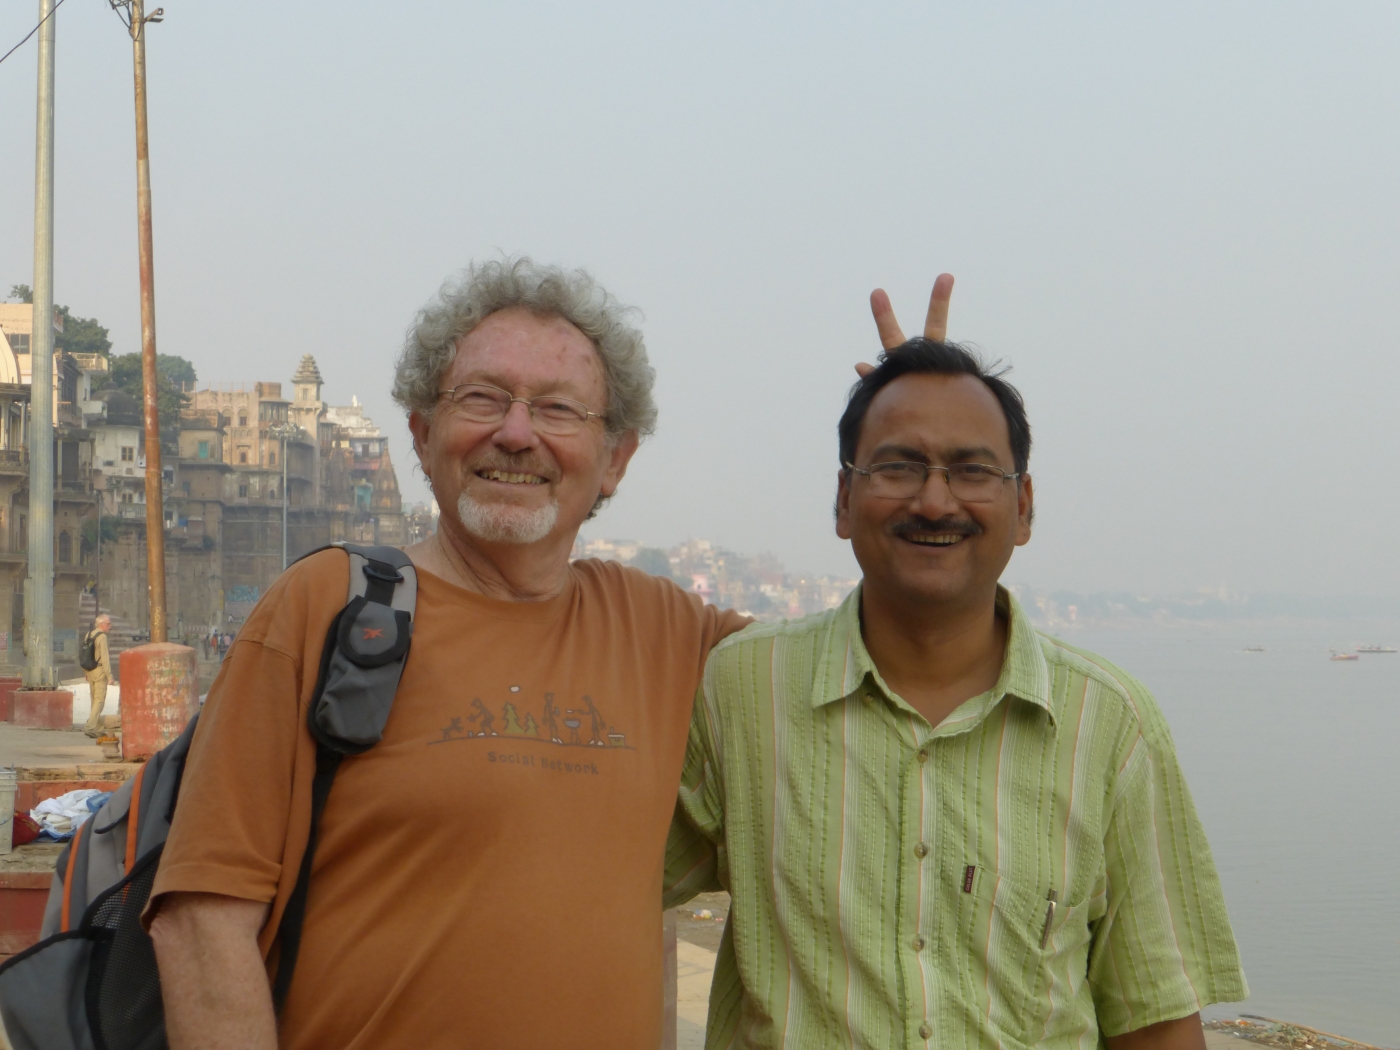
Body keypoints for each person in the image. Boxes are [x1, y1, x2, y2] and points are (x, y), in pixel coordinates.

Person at [147, 257, 786, 1050]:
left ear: (615, 460)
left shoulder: (663, 630)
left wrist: (899, 433)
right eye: (481, 398)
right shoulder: (325, 607)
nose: (515, 434)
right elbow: (201, 922)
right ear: (423, 433)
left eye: (558, 409)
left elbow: (856, 661)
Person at [665, 313, 1248, 1049]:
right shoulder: (744, 691)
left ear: (1023, 506)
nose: (936, 502)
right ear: (843, 499)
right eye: (898, 466)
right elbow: (607, 882)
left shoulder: (1108, 723)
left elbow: (1155, 1017)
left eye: (972, 471)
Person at [81, 614, 112, 738]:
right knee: (99, 700)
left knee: (94, 700)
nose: (110, 626)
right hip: (99, 671)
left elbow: (84, 655)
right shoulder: (102, 637)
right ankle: (90, 727)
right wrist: (109, 676)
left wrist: (85, 671)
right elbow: (105, 657)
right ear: (102, 625)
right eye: (108, 624)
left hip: (90, 670)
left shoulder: (89, 634)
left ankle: (98, 729)